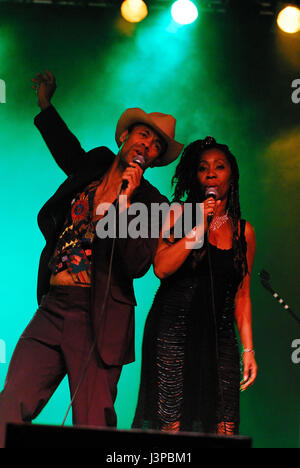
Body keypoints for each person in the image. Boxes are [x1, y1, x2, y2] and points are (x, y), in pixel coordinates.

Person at [0, 70, 184, 447]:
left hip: (100, 315)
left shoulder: (152, 203)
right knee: (9, 407)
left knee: (94, 424)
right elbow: (67, 151)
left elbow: (135, 265)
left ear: (155, 159)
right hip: (53, 306)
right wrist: (45, 105)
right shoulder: (97, 163)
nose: (146, 145)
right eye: (142, 135)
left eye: (155, 146)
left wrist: (124, 204)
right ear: (124, 137)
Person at [132, 136, 258, 435]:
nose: (211, 173)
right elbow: (161, 268)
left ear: (232, 175)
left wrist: (249, 350)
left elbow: (242, 295)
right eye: (203, 168)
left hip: (219, 338)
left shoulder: (244, 232)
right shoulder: (177, 215)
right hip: (172, 332)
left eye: (219, 167)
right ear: (195, 176)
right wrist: (198, 226)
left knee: (224, 425)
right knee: (172, 425)